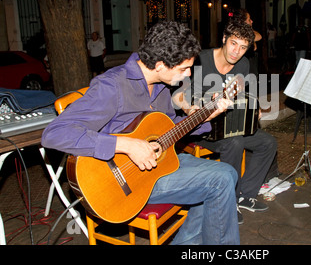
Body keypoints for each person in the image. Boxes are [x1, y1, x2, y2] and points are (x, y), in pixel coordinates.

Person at [41, 21, 240, 245]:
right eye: (184, 69)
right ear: (159, 65)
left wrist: (205, 116)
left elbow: (164, 128)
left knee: (228, 173)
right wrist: (126, 145)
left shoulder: (161, 85)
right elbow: (54, 133)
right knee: (220, 181)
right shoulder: (112, 86)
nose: (188, 75)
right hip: (123, 183)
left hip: (159, 166)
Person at [173, 20, 278, 225]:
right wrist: (190, 108)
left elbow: (242, 93)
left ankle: (245, 195)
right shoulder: (200, 60)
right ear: (224, 39)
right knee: (235, 142)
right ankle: (228, 200)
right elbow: (177, 93)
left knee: (268, 143)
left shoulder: (243, 64)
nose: (236, 51)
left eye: (243, 47)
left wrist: (252, 109)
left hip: (231, 124)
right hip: (202, 128)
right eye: (233, 43)